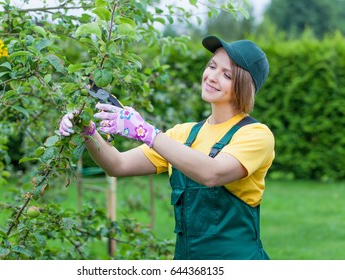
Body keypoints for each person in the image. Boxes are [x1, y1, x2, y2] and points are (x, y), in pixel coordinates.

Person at [59, 35, 275, 260]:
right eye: (212, 66)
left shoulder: (256, 135)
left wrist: (146, 132)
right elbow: (117, 165)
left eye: (227, 75)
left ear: (244, 88)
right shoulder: (182, 134)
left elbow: (213, 173)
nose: (212, 77)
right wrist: (88, 131)